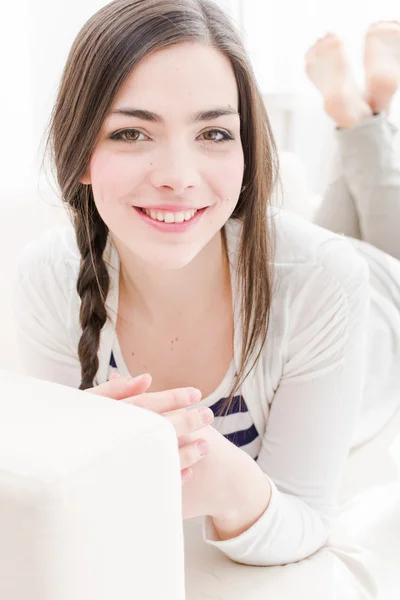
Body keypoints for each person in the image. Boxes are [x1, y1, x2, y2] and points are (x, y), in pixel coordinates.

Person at [14, 0, 400, 567]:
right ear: (81, 155)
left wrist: (217, 471)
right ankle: (355, 112)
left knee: (379, 248)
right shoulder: (49, 277)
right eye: (131, 133)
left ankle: (356, 115)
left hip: (377, 306)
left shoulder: (325, 278)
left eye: (215, 132)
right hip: (304, 267)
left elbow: (305, 519)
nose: (176, 176)